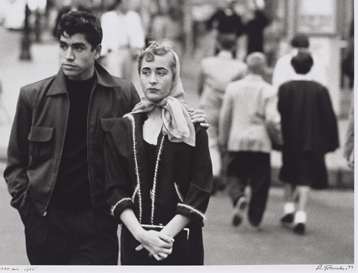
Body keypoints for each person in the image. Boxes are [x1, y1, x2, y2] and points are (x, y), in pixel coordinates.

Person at [3, 11, 207, 265]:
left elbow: (150, 125)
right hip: (45, 224)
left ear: (97, 50)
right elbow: (15, 163)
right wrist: (30, 211)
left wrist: (188, 117)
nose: (69, 56)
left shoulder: (122, 94)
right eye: (64, 46)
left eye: (78, 47)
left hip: (98, 226)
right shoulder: (32, 97)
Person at [101, 42, 213, 265]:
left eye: (161, 73)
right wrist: (142, 235)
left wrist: (164, 237)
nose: (152, 80)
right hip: (136, 240)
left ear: (174, 76)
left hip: (180, 241)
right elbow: (114, 187)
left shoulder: (191, 127)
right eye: (146, 72)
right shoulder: (124, 127)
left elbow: (200, 188)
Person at [278, 50, 339, 235]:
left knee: (288, 173)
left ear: (292, 66)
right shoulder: (320, 90)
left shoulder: (285, 88)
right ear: (311, 67)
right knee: (304, 179)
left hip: (289, 141)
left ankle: (288, 208)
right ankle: (301, 216)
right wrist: (330, 143)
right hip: (311, 142)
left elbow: (279, 114)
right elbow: (329, 118)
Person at [218, 52, 282, 229]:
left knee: (234, 174)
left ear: (246, 66)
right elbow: (272, 119)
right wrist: (277, 137)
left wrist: (224, 138)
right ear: (264, 69)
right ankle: (255, 218)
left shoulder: (233, 88)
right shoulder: (269, 90)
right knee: (260, 182)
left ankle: (239, 197)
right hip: (261, 142)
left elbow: (225, 116)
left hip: (237, 139)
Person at [198, 34, 247, 193]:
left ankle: (213, 173)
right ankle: (226, 176)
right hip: (230, 107)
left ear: (218, 45)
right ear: (234, 47)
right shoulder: (240, 67)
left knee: (210, 141)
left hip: (210, 105)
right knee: (226, 141)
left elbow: (200, 86)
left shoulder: (206, 64)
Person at [100, 0, 145, 92]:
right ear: (119, 3)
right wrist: (103, 55)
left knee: (128, 81)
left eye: (128, 2)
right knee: (114, 79)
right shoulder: (108, 17)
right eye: (124, 2)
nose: (127, 5)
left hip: (129, 52)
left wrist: (138, 50)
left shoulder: (134, 16)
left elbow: (139, 34)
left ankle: (127, 102)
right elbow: (103, 35)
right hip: (114, 52)